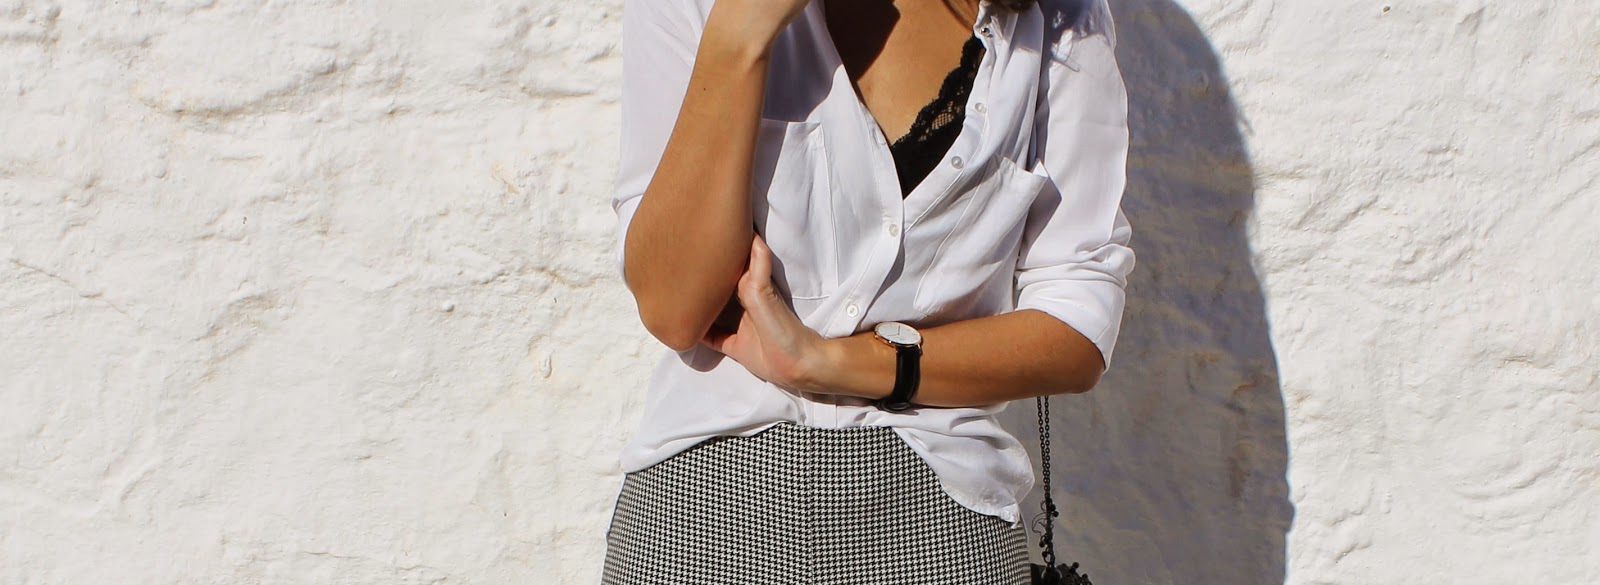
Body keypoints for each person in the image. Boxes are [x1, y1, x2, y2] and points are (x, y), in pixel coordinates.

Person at [601, 0, 1134, 582]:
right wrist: (736, 42)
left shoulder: (1058, 18)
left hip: (942, 525)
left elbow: (1076, 326)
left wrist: (827, 362)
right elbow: (673, 308)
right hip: (697, 519)